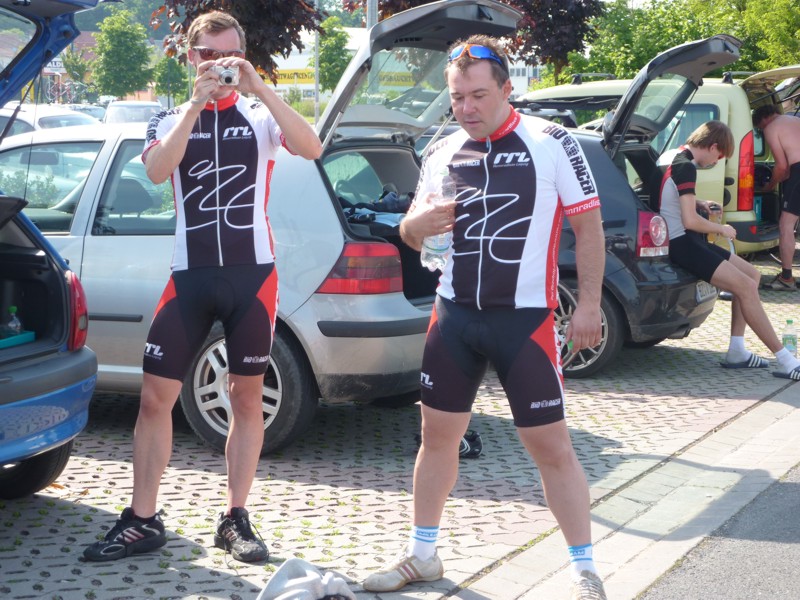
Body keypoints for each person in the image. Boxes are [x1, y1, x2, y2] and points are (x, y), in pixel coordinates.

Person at [361, 35, 608, 600]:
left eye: (477, 95)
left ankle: (585, 569)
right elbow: (410, 230)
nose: (466, 108)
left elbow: (588, 226)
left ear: (506, 88)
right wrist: (415, 228)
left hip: (524, 321)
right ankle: (423, 555)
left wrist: (590, 304)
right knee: (436, 438)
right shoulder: (443, 151)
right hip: (454, 317)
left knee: (551, 447)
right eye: (457, 97)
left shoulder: (552, 142)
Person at [83, 11, 322, 563]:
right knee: (154, 399)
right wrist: (194, 105)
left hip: (252, 277)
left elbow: (311, 148)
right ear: (191, 57)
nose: (219, 65)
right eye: (208, 55)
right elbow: (156, 171)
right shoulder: (169, 118)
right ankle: (143, 520)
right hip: (189, 277)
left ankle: (235, 517)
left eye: (229, 55)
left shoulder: (259, 115)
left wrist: (262, 87)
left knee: (245, 398)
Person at [659, 120, 800, 381]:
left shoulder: (679, 158)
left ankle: (737, 351)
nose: (717, 161)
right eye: (719, 156)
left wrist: (700, 202)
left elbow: (675, 198)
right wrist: (722, 229)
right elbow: (689, 221)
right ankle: (785, 359)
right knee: (745, 287)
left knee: (752, 275)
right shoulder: (686, 167)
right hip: (683, 243)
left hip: (690, 241)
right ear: (713, 146)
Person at [752, 104, 800, 291]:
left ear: (762, 120)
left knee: (786, 225)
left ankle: (786, 278)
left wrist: (769, 186)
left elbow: (782, 167)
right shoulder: (795, 120)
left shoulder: (771, 127)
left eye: (759, 128)